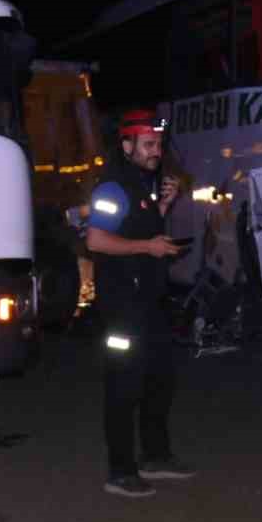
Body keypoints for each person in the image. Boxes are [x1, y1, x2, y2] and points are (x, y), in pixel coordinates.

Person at [86, 108, 197, 498]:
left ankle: (156, 456)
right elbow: (96, 241)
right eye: (149, 144)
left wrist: (163, 211)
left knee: (160, 379)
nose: (156, 151)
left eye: (159, 144)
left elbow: (143, 233)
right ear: (127, 145)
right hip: (121, 307)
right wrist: (148, 246)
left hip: (150, 302)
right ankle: (120, 471)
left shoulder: (143, 185)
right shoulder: (112, 188)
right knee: (123, 385)